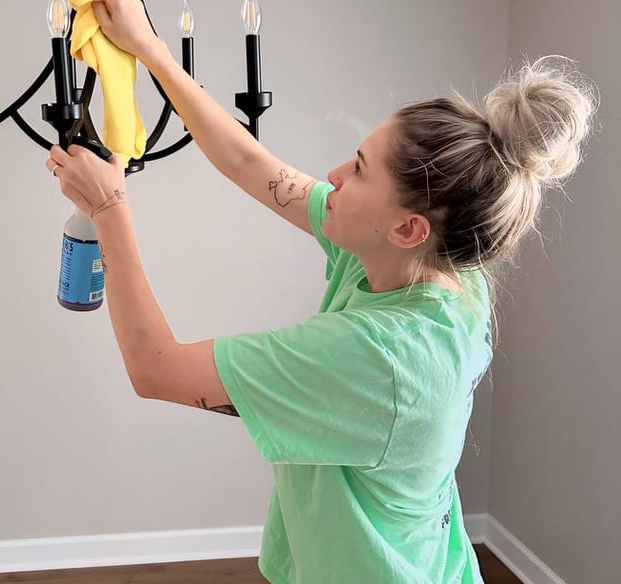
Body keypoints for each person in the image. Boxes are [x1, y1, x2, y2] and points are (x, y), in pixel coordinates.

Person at [45, 1, 597, 582]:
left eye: (359, 169)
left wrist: (108, 208)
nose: (333, 174)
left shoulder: (381, 357)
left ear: (407, 227)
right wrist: (149, 48)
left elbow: (156, 370)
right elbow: (244, 159)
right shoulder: (424, 265)